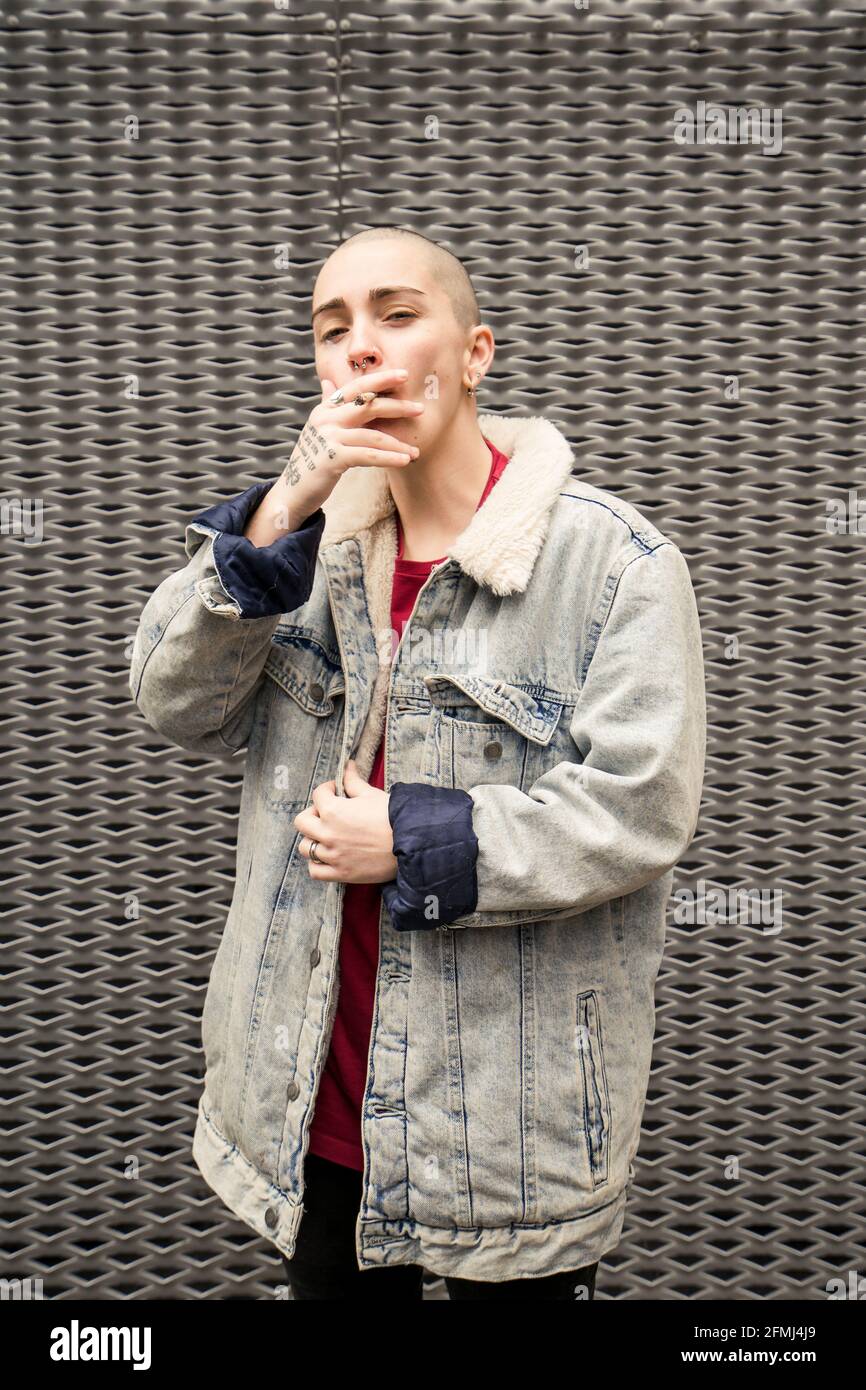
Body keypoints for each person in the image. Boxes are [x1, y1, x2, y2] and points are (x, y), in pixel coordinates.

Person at [128, 225, 707, 1299]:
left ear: (474, 350)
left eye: (397, 315)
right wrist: (280, 510)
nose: (361, 347)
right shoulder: (298, 550)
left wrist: (407, 837)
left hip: (510, 1138)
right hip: (309, 1114)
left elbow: (637, 809)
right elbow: (173, 703)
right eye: (331, 327)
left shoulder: (612, 564)